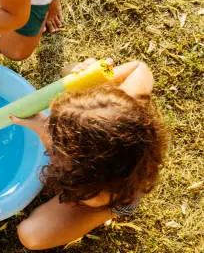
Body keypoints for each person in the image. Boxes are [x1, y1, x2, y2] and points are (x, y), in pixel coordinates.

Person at [11, 59, 167, 249]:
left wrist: (45, 134)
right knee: (73, 73)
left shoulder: (95, 193)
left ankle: (106, 214)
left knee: (31, 235)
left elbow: (76, 185)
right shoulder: (124, 109)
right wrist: (90, 78)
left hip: (106, 202)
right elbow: (140, 67)